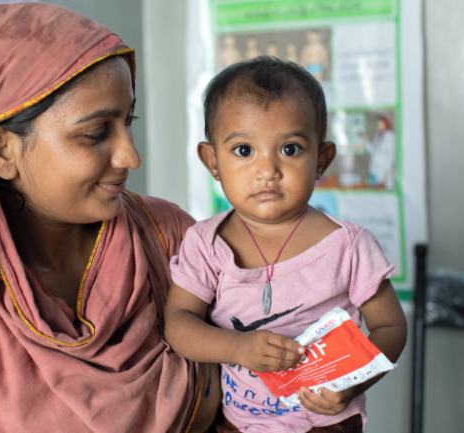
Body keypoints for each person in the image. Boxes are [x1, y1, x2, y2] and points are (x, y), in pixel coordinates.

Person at [0, 4, 220, 432]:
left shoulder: (170, 235)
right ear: (1, 151)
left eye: (128, 121)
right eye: (96, 133)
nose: (130, 156)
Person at [163, 57, 407, 433]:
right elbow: (178, 325)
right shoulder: (205, 244)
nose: (267, 170)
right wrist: (238, 349)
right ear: (212, 161)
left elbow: (390, 325)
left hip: (325, 423)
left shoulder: (348, 246)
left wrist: (354, 382)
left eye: (290, 149)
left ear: (321, 160)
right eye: (244, 150)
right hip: (236, 423)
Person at [366, 116, 397, 190]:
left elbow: (390, 154)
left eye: (380, 124)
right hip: (374, 169)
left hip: (385, 169)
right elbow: (373, 151)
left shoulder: (390, 136)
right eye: (377, 124)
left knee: (387, 187)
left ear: (385, 124)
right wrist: (366, 142)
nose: (378, 126)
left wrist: (387, 172)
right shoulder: (377, 135)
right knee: (375, 190)